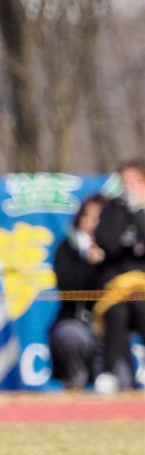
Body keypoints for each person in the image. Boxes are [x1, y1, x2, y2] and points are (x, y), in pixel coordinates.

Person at [92, 162, 145, 393]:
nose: (128, 189)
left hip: (142, 287)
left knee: (141, 307)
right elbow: (108, 245)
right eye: (124, 184)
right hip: (115, 288)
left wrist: (137, 212)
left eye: (134, 183)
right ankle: (108, 373)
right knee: (118, 312)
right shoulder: (112, 210)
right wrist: (121, 211)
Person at [49, 194, 107, 390]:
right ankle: (74, 384)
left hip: (110, 329)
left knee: (121, 380)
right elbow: (68, 286)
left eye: (99, 218)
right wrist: (90, 264)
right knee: (70, 336)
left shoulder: (117, 252)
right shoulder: (67, 248)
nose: (92, 224)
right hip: (76, 320)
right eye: (87, 216)